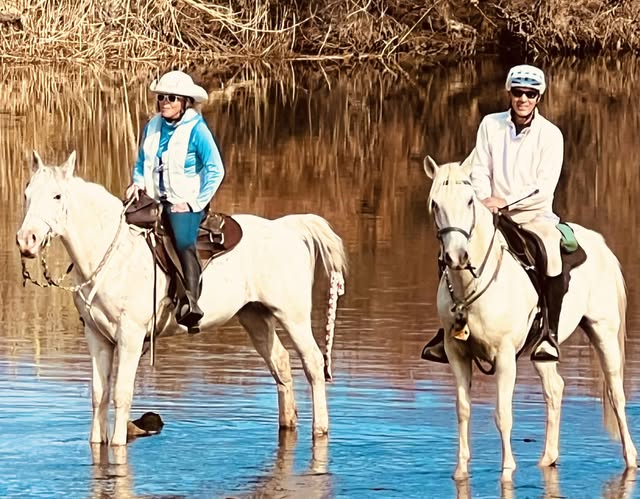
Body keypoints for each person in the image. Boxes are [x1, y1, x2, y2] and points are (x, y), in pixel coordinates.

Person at [421, 64, 565, 364]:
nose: (522, 99)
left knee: (550, 249)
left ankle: (547, 334)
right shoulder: (490, 124)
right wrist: (485, 199)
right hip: (489, 211)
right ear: (509, 94)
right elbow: (479, 167)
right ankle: (447, 328)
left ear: (538, 97)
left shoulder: (551, 135)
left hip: (533, 215)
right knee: (450, 249)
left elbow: (544, 187)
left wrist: (506, 201)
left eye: (529, 93)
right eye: (517, 92)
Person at [125, 70, 225, 330]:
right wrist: (137, 183)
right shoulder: (152, 126)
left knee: (182, 239)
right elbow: (141, 162)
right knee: (124, 225)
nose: (164, 103)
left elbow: (216, 169)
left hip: (186, 202)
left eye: (171, 98)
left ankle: (191, 302)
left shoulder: (198, 130)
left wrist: (194, 203)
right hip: (154, 200)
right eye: (161, 97)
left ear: (184, 102)